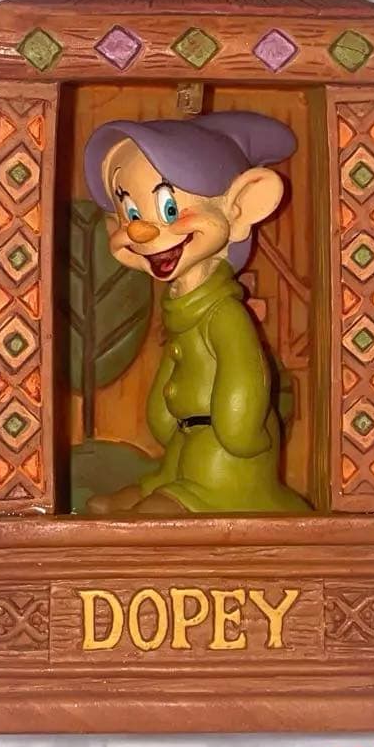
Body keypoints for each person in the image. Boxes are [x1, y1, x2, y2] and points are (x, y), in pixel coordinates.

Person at [82, 111, 309, 515]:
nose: (140, 231)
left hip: (226, 458)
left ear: (239, 207)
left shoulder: (223, 312)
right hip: (185, 450)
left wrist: (239, 432)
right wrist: (163, 417)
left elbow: (244, 374)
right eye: (131, 214)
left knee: (151, 519)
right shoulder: (184, 309)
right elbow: (176, 362)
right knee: (110, 508)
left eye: (169, 208)